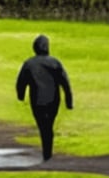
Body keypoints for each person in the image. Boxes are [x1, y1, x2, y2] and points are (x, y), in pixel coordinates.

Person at [16, 33, 74, 161]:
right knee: (49, 125)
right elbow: (65, 82)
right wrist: (69, 101)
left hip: (37, 101)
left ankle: (47, 153)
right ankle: (47, 152)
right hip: (54, 100)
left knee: (43, 126)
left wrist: (20, 95)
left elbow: (21, 82)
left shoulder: (29, 64)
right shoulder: (55, 63)